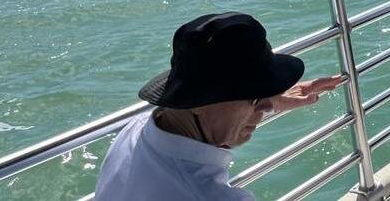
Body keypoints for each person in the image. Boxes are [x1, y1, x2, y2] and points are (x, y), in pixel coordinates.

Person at [95, 12, 342, 200]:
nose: (266, 108)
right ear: (198, 102)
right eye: (254, 98)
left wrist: (265, 99)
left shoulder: (134, 133)